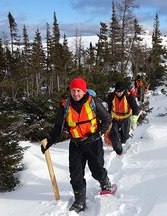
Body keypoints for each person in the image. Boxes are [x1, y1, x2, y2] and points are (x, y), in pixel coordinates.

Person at [41, 78, 113, 213]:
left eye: (78, 90)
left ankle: (104, 182)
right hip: (76, 144)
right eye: (73, 90)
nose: (75, 94)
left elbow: (107, 119)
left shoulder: (93, 102)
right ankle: (79, 200)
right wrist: (49, 142)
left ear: (84, 90)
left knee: (96, 169)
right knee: (75, 174)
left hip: (93, 142)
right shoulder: (65, 106)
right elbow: (58, 127)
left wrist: (98, 134)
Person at [107, 81, 140, 155]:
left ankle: (122, 139)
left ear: (124, 90)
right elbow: (109, 109)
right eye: (117, 92)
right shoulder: (111, 96)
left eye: (120, 92)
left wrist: (134, 122)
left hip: (125, 118)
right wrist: (108, 121)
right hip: (115, 118)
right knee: (113, 136)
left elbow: (135, 108)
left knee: (125, 137)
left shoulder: (129, 96)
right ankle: (118, 151)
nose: (118, 93)